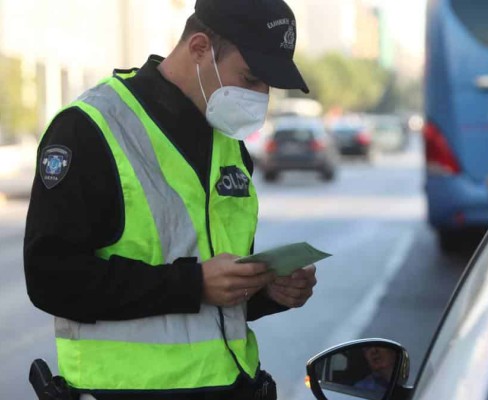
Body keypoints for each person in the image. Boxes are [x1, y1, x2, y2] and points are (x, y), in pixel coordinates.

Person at [23, 0, 316, 399]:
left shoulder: (227, 141)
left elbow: (213, 296)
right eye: (250, 79)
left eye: (267, 85)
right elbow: (51, 280)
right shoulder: (90, 128)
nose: (260, 96)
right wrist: (192, 284)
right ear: (199, 49)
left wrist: (265, 293)